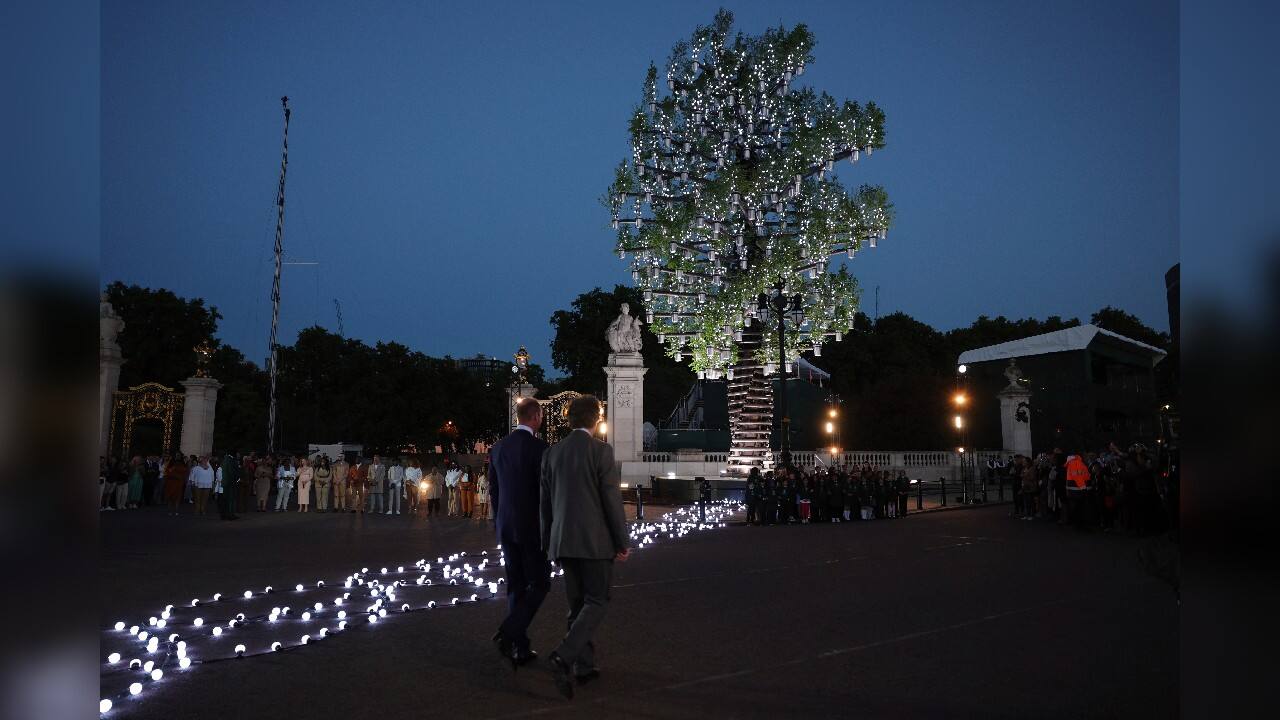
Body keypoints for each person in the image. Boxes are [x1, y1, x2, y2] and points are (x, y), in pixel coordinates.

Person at [540, 395, 629, 699]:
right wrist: (622, 540)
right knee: (597, 600)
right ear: (595, 419)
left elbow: (546, 505)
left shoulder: (552, 453)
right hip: (595, 541)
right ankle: (564, 656)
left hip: (563, 540)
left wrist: (548, 543)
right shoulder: (600, 451)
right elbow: (611, 501)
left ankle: (583, 665)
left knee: (577, 604)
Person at [489, 398, 551, 670]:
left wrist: (498, 522)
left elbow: (494, 491)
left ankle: (519, 647)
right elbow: (547, 493)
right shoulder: (541, 448)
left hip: (506, 525)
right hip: (532, 527)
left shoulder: (499, 447)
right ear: (536, 416)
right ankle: (510, 631)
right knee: (539, 584)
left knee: (515, 584)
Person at [219, 451, 241, 520]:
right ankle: (230, 514)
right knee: (230, 499)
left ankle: (225, 514)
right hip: (230, 483)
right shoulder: (230, 460)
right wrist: (237, 478)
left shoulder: (225, 460)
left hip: (226, 483)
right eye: (238, 454)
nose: (239, 455)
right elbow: (232, 472)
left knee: (226, 499)